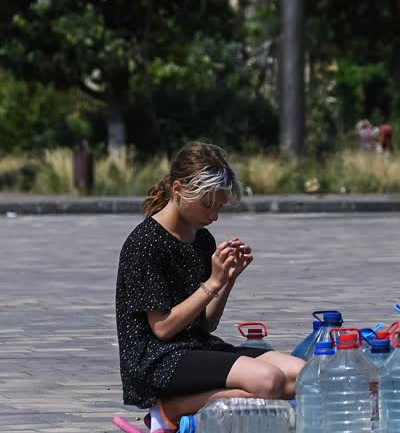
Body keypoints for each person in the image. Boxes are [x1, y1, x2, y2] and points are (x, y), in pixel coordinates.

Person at [115, 142, 304, 432]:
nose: (214, 215)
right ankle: (171, 410)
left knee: (303, 376)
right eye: (207, 204)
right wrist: (213, 282)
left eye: (219, 206)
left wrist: (227, 279)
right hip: (156, 358)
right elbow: (163, 328)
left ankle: (184, 406)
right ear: (178, 189)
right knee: (270, 381)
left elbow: (206, 325)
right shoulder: (145, 243)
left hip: (195, 347)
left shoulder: (202, 239)